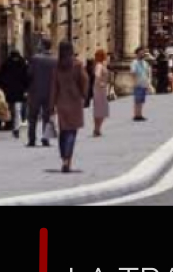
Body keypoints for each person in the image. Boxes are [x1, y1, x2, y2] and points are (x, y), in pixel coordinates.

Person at [49, 42, 88, 173]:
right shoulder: (77, 65)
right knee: (72, 132)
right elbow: (85, 80)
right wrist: (83, 95)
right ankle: (67, 161)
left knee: (63, 131)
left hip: (61, 102)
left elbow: (54, 87)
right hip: (75, 102)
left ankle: (64, 158)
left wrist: (52, 104)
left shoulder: (57, 66)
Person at [26, 39, 56, 147]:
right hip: (49, 93)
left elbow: (29, 74)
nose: (38, 45)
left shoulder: (35, 59)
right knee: (46, 117)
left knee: (32, 117)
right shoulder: (55, 60)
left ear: (43, 46)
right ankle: (45, 139)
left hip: (35, 92)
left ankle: (32, 140)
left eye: (39, 44)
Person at [1, 50, 30, 138]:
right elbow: (27, 78)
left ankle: (15, 126)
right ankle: (16, 127)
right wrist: (26, 89)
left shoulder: (7, 63)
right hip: (19, 91)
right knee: (17, 110)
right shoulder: (22, 63)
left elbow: (2, 77)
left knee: (14, 109)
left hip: (10, 92)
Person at [90, 49, 110, 137]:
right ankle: (96, 129)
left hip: (102, 89)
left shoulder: (102, 65)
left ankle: (97, 128)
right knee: (99, 109)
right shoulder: (99, 65)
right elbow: (97, 75)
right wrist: (100, 83)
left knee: (102, 110)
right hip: (99, 89)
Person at [131, 47, 151, 122]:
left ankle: (140, 114)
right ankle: (136, 115)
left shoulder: (145, 63)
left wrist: (148, 84)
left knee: (142, 100)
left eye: (143, 52)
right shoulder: (134, 62)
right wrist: (134, 82)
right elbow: (133, 73)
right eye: (141, 52)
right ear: (137, 53)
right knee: (137, 100)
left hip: (144, 82)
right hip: (138, 83)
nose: (143, 54)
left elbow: (147, 73)